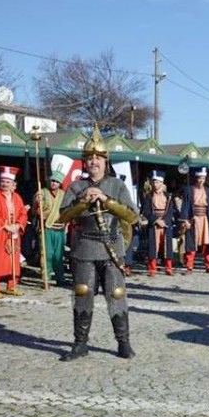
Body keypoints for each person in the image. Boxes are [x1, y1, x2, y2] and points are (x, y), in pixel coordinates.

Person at [57, 124, 140, 361]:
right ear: (84, 162)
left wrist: (106, 200)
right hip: (84, 248)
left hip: (111, 246)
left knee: (116, 293)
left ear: (105, 161)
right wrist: (83, 201)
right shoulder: (76, 187)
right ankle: (80, 343)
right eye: (89, 158)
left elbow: (132, 216)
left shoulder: (117, 185)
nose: (94, 161)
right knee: (83, 293)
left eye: (98, 158)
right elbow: (63, 217)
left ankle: (123, 342)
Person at [0, 166, 28, 299]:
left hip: (14, 233)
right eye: (3, 181)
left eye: (7, 182)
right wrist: (4, 226)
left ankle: (11, 285)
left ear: (12, 183)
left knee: (13, 259)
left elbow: (23, 213)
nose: (4, 184)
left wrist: (18, 225)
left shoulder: (17, 197)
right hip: (0, 232)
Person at [33, 165, 68, 286]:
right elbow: (36, 211)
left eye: (57, 181)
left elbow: (67, 210)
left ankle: (60, 277)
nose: (54, 183)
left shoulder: (63, 194)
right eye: (53, 180)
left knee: (59, 254)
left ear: (60, 183)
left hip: (60, 228)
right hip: (46, 227)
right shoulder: (41, 192)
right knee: (46, 253)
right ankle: (46, 277)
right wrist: (38, 203)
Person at [179, 167, 209, 275]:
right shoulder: (189, 190)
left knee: (207, 243)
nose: (201, 180)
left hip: (205, 219)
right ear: (196, 178)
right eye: (200, 178)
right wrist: (185, 219)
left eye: (203, 178)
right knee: (191, 243)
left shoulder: (208, 191)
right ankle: (189, 267)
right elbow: (185, 205)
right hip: (193, 219)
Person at [141, 170, 176, 276]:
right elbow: (146, 211)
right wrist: (156, 220)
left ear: (162, 183)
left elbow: (170, 211)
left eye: (157, 182)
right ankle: (152, 269)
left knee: (167, 247)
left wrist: (164, 221)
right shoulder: (148, 196)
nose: (155, 184)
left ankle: (168, 268)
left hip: (165, 223)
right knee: (152, 246)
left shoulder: (169, 196)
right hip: (154, 223)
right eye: (154, 182)